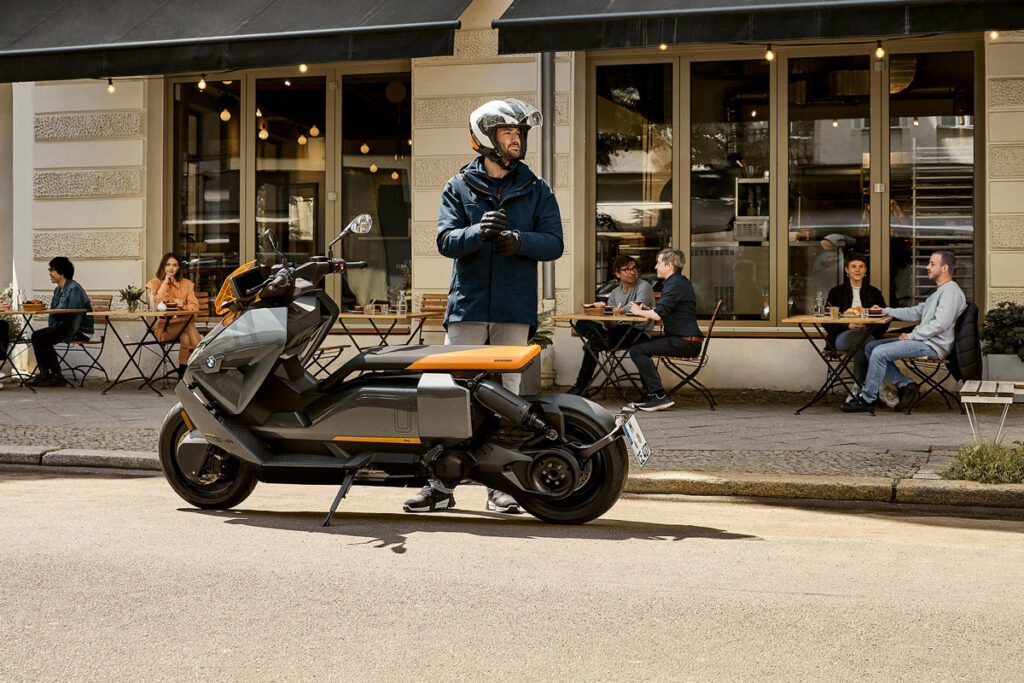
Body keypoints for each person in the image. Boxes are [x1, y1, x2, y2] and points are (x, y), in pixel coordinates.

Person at [403, 98, 563, 515]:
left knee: (510, 398)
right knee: (449, 394)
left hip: (514, 309)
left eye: (520, 134)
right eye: (509, 133)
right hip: (468, 308)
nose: (517, 140)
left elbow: (555, 242)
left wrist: (519, 241)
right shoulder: (457, 187)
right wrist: (477, 232)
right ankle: (439, 484)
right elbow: (444, 240)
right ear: (485, 140)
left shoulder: (537, 188)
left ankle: (502, 487)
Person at [842, 250, 967, 414]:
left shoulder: (950, 292)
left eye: (932, 264)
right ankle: (905, 384)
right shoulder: (940, 292)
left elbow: (940, 325)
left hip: (932, 345)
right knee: (871, 347)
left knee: (879, 353)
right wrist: (885, 311)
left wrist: (912, 336)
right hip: (924, 341)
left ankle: (867, 399)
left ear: (944, 268)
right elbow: (915, 312)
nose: (927, 267)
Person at [625, 248, 703, 412]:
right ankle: (651, 395)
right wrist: (648, 308)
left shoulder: (675, 284)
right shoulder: (677, 282)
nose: (655, 267)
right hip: (684, 339)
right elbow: (662, 311)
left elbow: (657, 315)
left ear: (669, 266)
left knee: (637, 350)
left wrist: (639, 311)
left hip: (685, 342)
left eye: (659, 263)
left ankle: (658, 395)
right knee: (640, 344)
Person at [568, 255, 654, 395]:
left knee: (593, 344)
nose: (632, 272)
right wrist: (604, 316)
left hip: (637, 333)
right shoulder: (615, 292)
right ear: (618, 274)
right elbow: (612, 325)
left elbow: (635, 308)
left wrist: (612, 310)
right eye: (627, 269)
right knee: (581, 322)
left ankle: (581, 387)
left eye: (634, 268)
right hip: (615, 332)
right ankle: (599, 339)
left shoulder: (644, 286)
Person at [823, 253, 888, 392]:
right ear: (847, 270)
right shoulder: (836, 293)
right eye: (853, 266)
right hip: (842, 336)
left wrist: (878, 313)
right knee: (865, 340)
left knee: (862, 342)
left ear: (865, 270)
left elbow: (885, 321)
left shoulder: (874, 293)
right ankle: (880, 386)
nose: (857, 270)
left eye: (861, 266)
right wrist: (848, 325)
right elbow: (826, 322)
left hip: (868, 336)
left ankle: (857, 388)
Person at [28, 256, 93, 387]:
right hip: (63, 328)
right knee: (36, 335)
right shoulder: (58, 289)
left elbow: (75, 314)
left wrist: (69, 335)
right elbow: (54, 313)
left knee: (44, 338)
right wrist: (51, 327)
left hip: (78, 330)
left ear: (62, 272)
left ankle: (57, 376)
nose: (50, 273)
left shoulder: (74, 288)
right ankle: (45, 374)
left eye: (52, 270)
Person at [146, 253, 201, 378]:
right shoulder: (154, 283)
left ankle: (183, 373)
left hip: (182, 325)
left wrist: (183, 306)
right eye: (168, 265)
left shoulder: (187, 284)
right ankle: (203, 362)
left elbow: (195, 308)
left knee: (186, 337)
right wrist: (165, 283)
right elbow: (156, 305)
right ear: (163, 267)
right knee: (188, 326)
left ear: (179, 268)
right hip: (164, 328)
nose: (171, 268)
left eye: (174, 265)